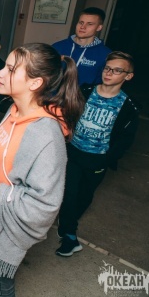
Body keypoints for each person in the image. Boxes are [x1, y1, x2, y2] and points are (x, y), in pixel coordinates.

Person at [0, 43, 84, 297]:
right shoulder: (15, 110)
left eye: (11, 69)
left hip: (9, 216)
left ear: (35, 83)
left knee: (0, 279)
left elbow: (43, 204)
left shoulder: (46, 135)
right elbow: (5, 151)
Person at [56, 51, 139, 257]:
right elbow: (68, 113)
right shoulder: (86, 90)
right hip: (74, 152)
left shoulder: (128, 106)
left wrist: (107, 158)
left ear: (128, 76)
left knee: (84, 195)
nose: (109, 73)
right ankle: (70, 234)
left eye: (117, 70)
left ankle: (68, 223)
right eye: (107, 68)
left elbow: (126, 139)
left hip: (97, 160)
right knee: (69, 192)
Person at [52, 7, 111, 85]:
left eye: (89, 24)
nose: (83, 27)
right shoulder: (57, 47)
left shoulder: (105, 54)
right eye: (81, 22)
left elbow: (102, 84)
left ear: (99, 27)